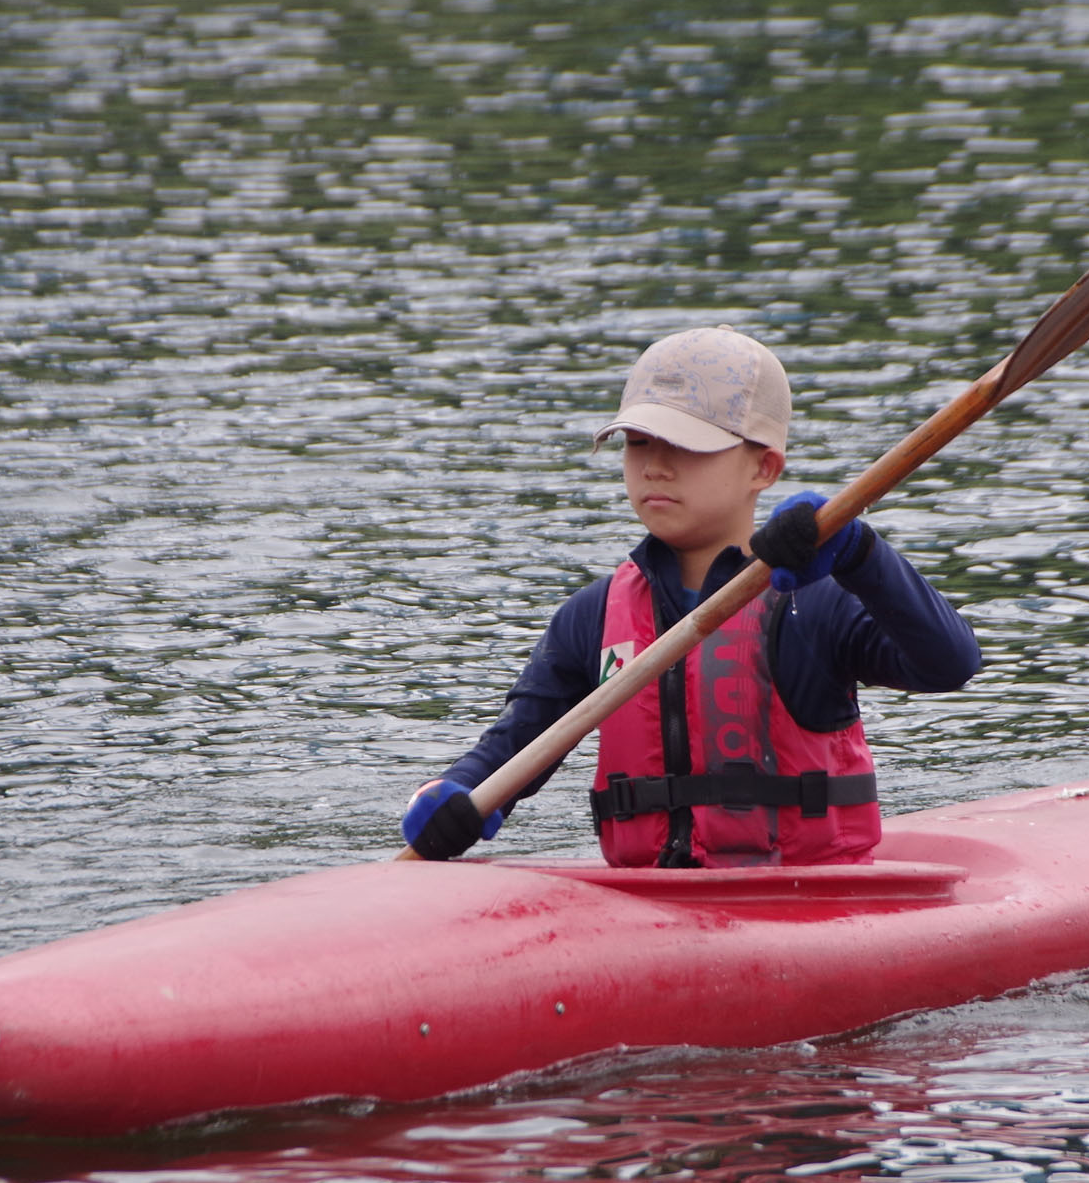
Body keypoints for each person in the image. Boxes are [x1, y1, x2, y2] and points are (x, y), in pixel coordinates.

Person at [401, 326, 981, 867]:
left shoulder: (819, 601)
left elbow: (949, 663)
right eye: (638, 442)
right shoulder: (592, 615)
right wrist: (453, 794)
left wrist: (860, 553)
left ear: (764, 467)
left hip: (804, 898)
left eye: (686, 445)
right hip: (651, 901)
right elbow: (512, 751)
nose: (654, 465)